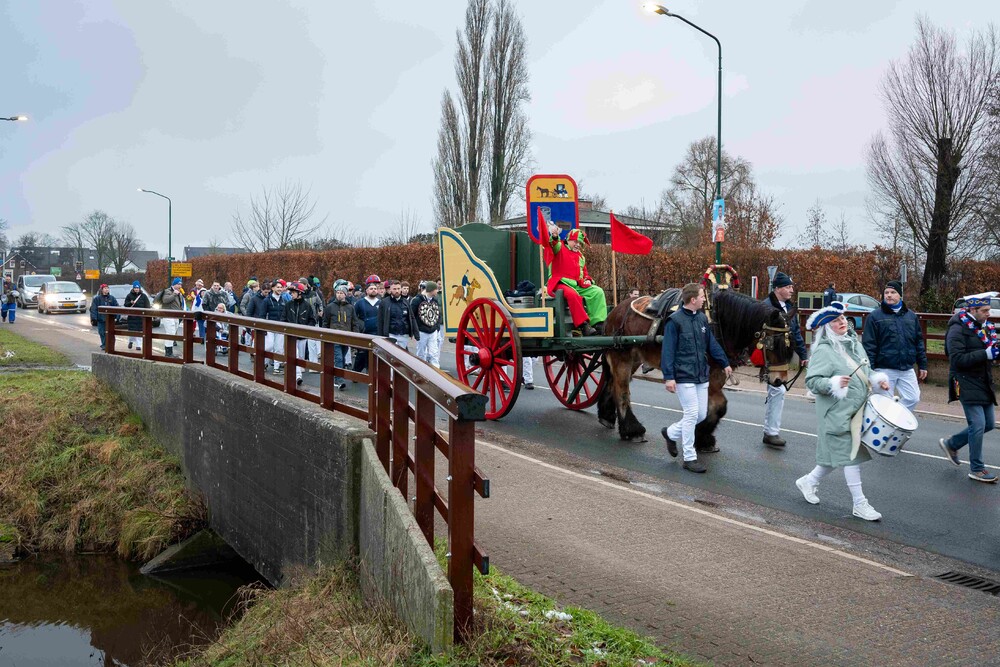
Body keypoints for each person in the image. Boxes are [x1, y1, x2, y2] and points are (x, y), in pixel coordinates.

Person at [796, 303, 890, 521]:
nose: (842, 323)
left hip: (856, 411)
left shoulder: (854, 344)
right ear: (827, 328)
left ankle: (809, 481)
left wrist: (878, 380)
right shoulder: (824, 351)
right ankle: (860, 504)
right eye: (835, 321)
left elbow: (866, 370)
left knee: (834, 457)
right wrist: (834, 383)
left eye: (843, 319)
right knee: (850, 457)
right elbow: (812, 382)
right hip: (836, 413)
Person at [659, 283, 733, 473]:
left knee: (701, 415)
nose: (703, 300)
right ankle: (689, 457)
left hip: (701, 373)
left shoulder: (701, 318)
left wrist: (724, 362)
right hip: (683, 375)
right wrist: (669, 377)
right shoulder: (674, 321)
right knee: (692, 414)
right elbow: (668, 351)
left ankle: (670, 433)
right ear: (693, 299)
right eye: (701, 296)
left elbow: (711, 343)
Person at [939, 292, 1000, 484]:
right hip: (964, 381)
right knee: (978, 424)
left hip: (982, 380)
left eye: (989, 310)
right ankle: (977, 469)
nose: (989, 314)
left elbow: (987, 351)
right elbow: (956, 359)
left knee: (989, 423)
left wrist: (994, 354)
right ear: (973, 310)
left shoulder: (984, 326)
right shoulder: (957, 329)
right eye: (985, 310)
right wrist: (985, 354)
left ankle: (952, 444)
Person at [862, 280, 928, 412]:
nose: (889, 295)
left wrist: (922, 364)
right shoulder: (874, 317)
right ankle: (883, 422)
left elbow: (918, 342)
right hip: (884, 368)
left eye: (893, 292)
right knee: (883, 402)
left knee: (913, 398)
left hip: (906, 368)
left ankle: (895, 416)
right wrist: (871, 371)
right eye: (886, 292)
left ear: (900, 295)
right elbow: (869, 345)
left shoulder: (911, 316)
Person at [762, 272, 808, 448]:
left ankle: (770, 431)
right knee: (777, 391)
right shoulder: (766, 307)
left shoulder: (788, 308)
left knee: (777, 392)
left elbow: (795, 333)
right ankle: (771, 433)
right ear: (778, 289)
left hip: (782, 358)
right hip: (772, 357)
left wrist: (803, 355)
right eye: (788, 287)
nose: (791, 290)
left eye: (791, 287)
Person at [544, 224, 608, 336]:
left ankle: (598, 323)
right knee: (573, 295)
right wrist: (554, 236)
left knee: (598, 292)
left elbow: (585, 273)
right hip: (560, 283)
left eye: (580, 243)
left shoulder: (581, 256)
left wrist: (588, 280)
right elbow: (553, 244)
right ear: (568, 240)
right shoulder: (560, 247)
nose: (578, 245)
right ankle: (583, 325)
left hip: (577, 285)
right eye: (575, 242)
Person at [322, 283, 362, 389]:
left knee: (342, 357)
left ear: (345, 294)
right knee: (338, 358)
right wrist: (325, 335)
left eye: (341, 293)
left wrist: (356, 335)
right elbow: (325, 322)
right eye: (337, 293)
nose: (339, 295)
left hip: (346, 336)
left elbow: (354, 322)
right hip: (334, 336)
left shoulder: (350, 308)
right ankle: (340, 380)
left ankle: (337, 377)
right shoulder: (330, 307)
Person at [283, 282, 316, 386]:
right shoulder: (288, 305)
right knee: (294, 355)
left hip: (302, 336)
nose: (291, 294)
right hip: (291, 335)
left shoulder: (307, 306)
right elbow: (283, 318)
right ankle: (298, 376)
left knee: (300, 357)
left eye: (293, 292)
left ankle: (295, 375)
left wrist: (306, 329)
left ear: (300, 293)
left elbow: (312, 320)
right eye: (291, 292)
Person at [378, 279, 419, 350]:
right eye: (394, 289)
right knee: (392, 353)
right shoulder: (384, 302)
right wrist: (380, 336)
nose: (397, 291)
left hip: (404, 335)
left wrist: (416, 333)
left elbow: (412, 317)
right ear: (390, 290)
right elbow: (380, 320)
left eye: (398, 288)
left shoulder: (406, 302)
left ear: (401, 289)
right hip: (391, 334)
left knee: (402, 353)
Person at [353, 275, 382, 374]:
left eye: (375, 288)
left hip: (377, 333)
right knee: (362, 355)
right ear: (366, 291)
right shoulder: (360, 303)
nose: (373, 290)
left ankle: (371, 375)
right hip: (364, 333)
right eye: (371, 288)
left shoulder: (380, 303)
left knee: (374, 356)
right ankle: (355, 373)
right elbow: (354, 317)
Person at [411, 280, 442, 368]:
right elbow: (412, 315)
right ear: (431, 290)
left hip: (433, 331)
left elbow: (437, 315)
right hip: (421, 331)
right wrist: (415, 329)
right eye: (436, 289)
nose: (437, 291)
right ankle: (420, 369)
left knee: (434, 352)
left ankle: (436, 369)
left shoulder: (434, 301)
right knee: (421, 353)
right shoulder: (417, 300)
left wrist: (437, 327)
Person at [260, 280, 287, 373]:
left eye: (281, 287)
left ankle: (276, 367)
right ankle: (264, 363)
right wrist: (263, 327)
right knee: (269, 346)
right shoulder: (267, 300)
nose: (280, 289)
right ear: (273, 288)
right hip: (269, 327)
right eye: (278, 287)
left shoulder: (284, 300)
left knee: (279, 348)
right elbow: (262, 315)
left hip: (280, 327)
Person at [155, 278, 186, 358]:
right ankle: (168, 353)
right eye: (178, 284)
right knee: (170, 333)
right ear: (174, 284)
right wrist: (174, 294)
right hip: (168, 316)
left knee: (173, 333)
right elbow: (165, 300)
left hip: (176, 316)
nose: (180, 286)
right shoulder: (168, 291)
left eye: (180, 284)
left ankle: (170, 352)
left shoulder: (179, 293)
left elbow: (179, 304)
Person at [89, 284, 119, 350]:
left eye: (107, 288)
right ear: (102, 290)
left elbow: (117, 308)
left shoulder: (112, 298)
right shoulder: (97, 299)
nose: (106, 289)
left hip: (110, 319)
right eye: (105, 288)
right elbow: (93, 309)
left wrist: (117, 317)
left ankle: (110, 345)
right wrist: (94, 318)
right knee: (102, 332)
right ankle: (104, 345)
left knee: (110, 333)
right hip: (101, 319)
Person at [123, 280, 150, 352]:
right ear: (133, 288)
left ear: (139, 288)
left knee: (140, 331)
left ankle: (139, 346)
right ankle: (131, 341)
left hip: (141, 317)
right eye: (135, 288)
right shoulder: (129, 295)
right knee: (132, 330)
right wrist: (130, 303)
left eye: (137, 288)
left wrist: (146, 313)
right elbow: (125, 304)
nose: (136, 289)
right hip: (132, 316)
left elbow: (147, 306)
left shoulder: (144, 296)